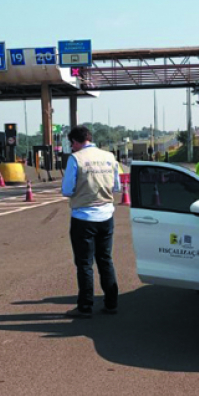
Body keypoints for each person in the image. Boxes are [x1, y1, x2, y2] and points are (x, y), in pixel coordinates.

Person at [61, 125, 121, 318]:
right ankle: (111, 302)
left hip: (83, 217)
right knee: (105, 259)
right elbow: (117, 186)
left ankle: (85, 305)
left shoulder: (75, 159)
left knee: (85, 263)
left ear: (76, 142)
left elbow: (67, 190)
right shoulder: (109, 157)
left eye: (72, 144)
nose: (72, 148)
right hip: (106, 215)